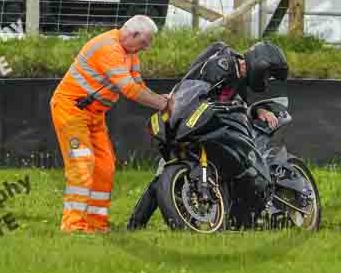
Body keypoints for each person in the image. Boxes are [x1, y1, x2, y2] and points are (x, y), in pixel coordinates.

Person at [127, 40, 289, 230]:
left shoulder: (240, 81)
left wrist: (256, 111)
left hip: (205, 125)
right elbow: (196, 90)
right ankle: (134, 226)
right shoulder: (224, 62)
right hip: (190, 120)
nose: (267, 80)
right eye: (268, 74)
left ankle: (135, 226)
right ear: (262, 63)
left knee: (163, 174)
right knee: (162, 175)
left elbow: (239, 109)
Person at [50, 15, 172, 234]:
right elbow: (130, 90)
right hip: (71, 110)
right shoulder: (109, 48)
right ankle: (72, 225)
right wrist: (162, 104)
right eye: (144, 43)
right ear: (133, 35)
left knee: (105, 167)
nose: (145, 48)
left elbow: (138, 84)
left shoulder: (130, 53)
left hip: (95, 116)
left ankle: (95, 224)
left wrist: (159, 98)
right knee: (82, 164)